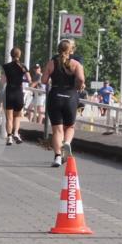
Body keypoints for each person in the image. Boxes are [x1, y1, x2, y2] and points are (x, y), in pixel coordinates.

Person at [42, 39, 86, 167]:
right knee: (70, 127)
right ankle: (67, 143)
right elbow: (81, 79)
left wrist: (52, 79)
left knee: (57, 130)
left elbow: (44, 80)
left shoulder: (52, 63)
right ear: (71, 50)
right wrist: (80, 84)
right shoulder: (76, 64)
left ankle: (57, 157)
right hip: (70, 96)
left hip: (55, 95)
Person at [1, 47, 29, 145]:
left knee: (9, 118)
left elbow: (2, 81)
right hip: (18, 92)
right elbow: (29, 79)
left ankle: (9, 137)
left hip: (9, 92)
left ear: (11, 55)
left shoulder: (5, 66)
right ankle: (16, 133)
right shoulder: (23, 66)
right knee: (17, 116)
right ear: (19, 55)